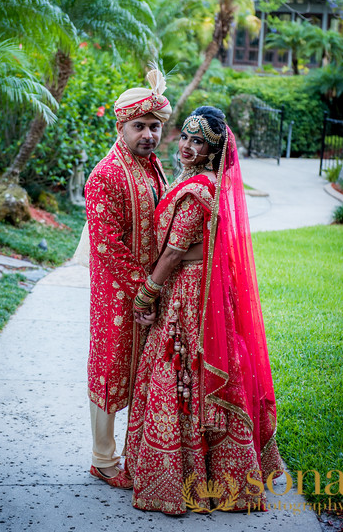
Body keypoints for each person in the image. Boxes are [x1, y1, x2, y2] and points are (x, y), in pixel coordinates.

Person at [127, 106, 283, 514]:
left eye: (200, 142)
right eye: (185, 137)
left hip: (188, 289)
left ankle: (186, 477)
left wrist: (147, 293)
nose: (188, 147)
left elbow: (176, 250)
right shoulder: (203, 182)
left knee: (180, 368)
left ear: (214, 150)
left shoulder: (198, 189)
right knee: (195, 369)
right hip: (204, 286)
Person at [85, 69, 172, 489]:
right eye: (139, 126)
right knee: (111, 369)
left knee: (145, 371)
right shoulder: (106, 175)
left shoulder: (152, 167)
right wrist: (145, 289)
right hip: (118, 294)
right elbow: (108, 247)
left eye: (154, 126)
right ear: (121, 126)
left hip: (150, 289)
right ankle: (103, 459)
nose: (149, 134)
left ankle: (135, 454)